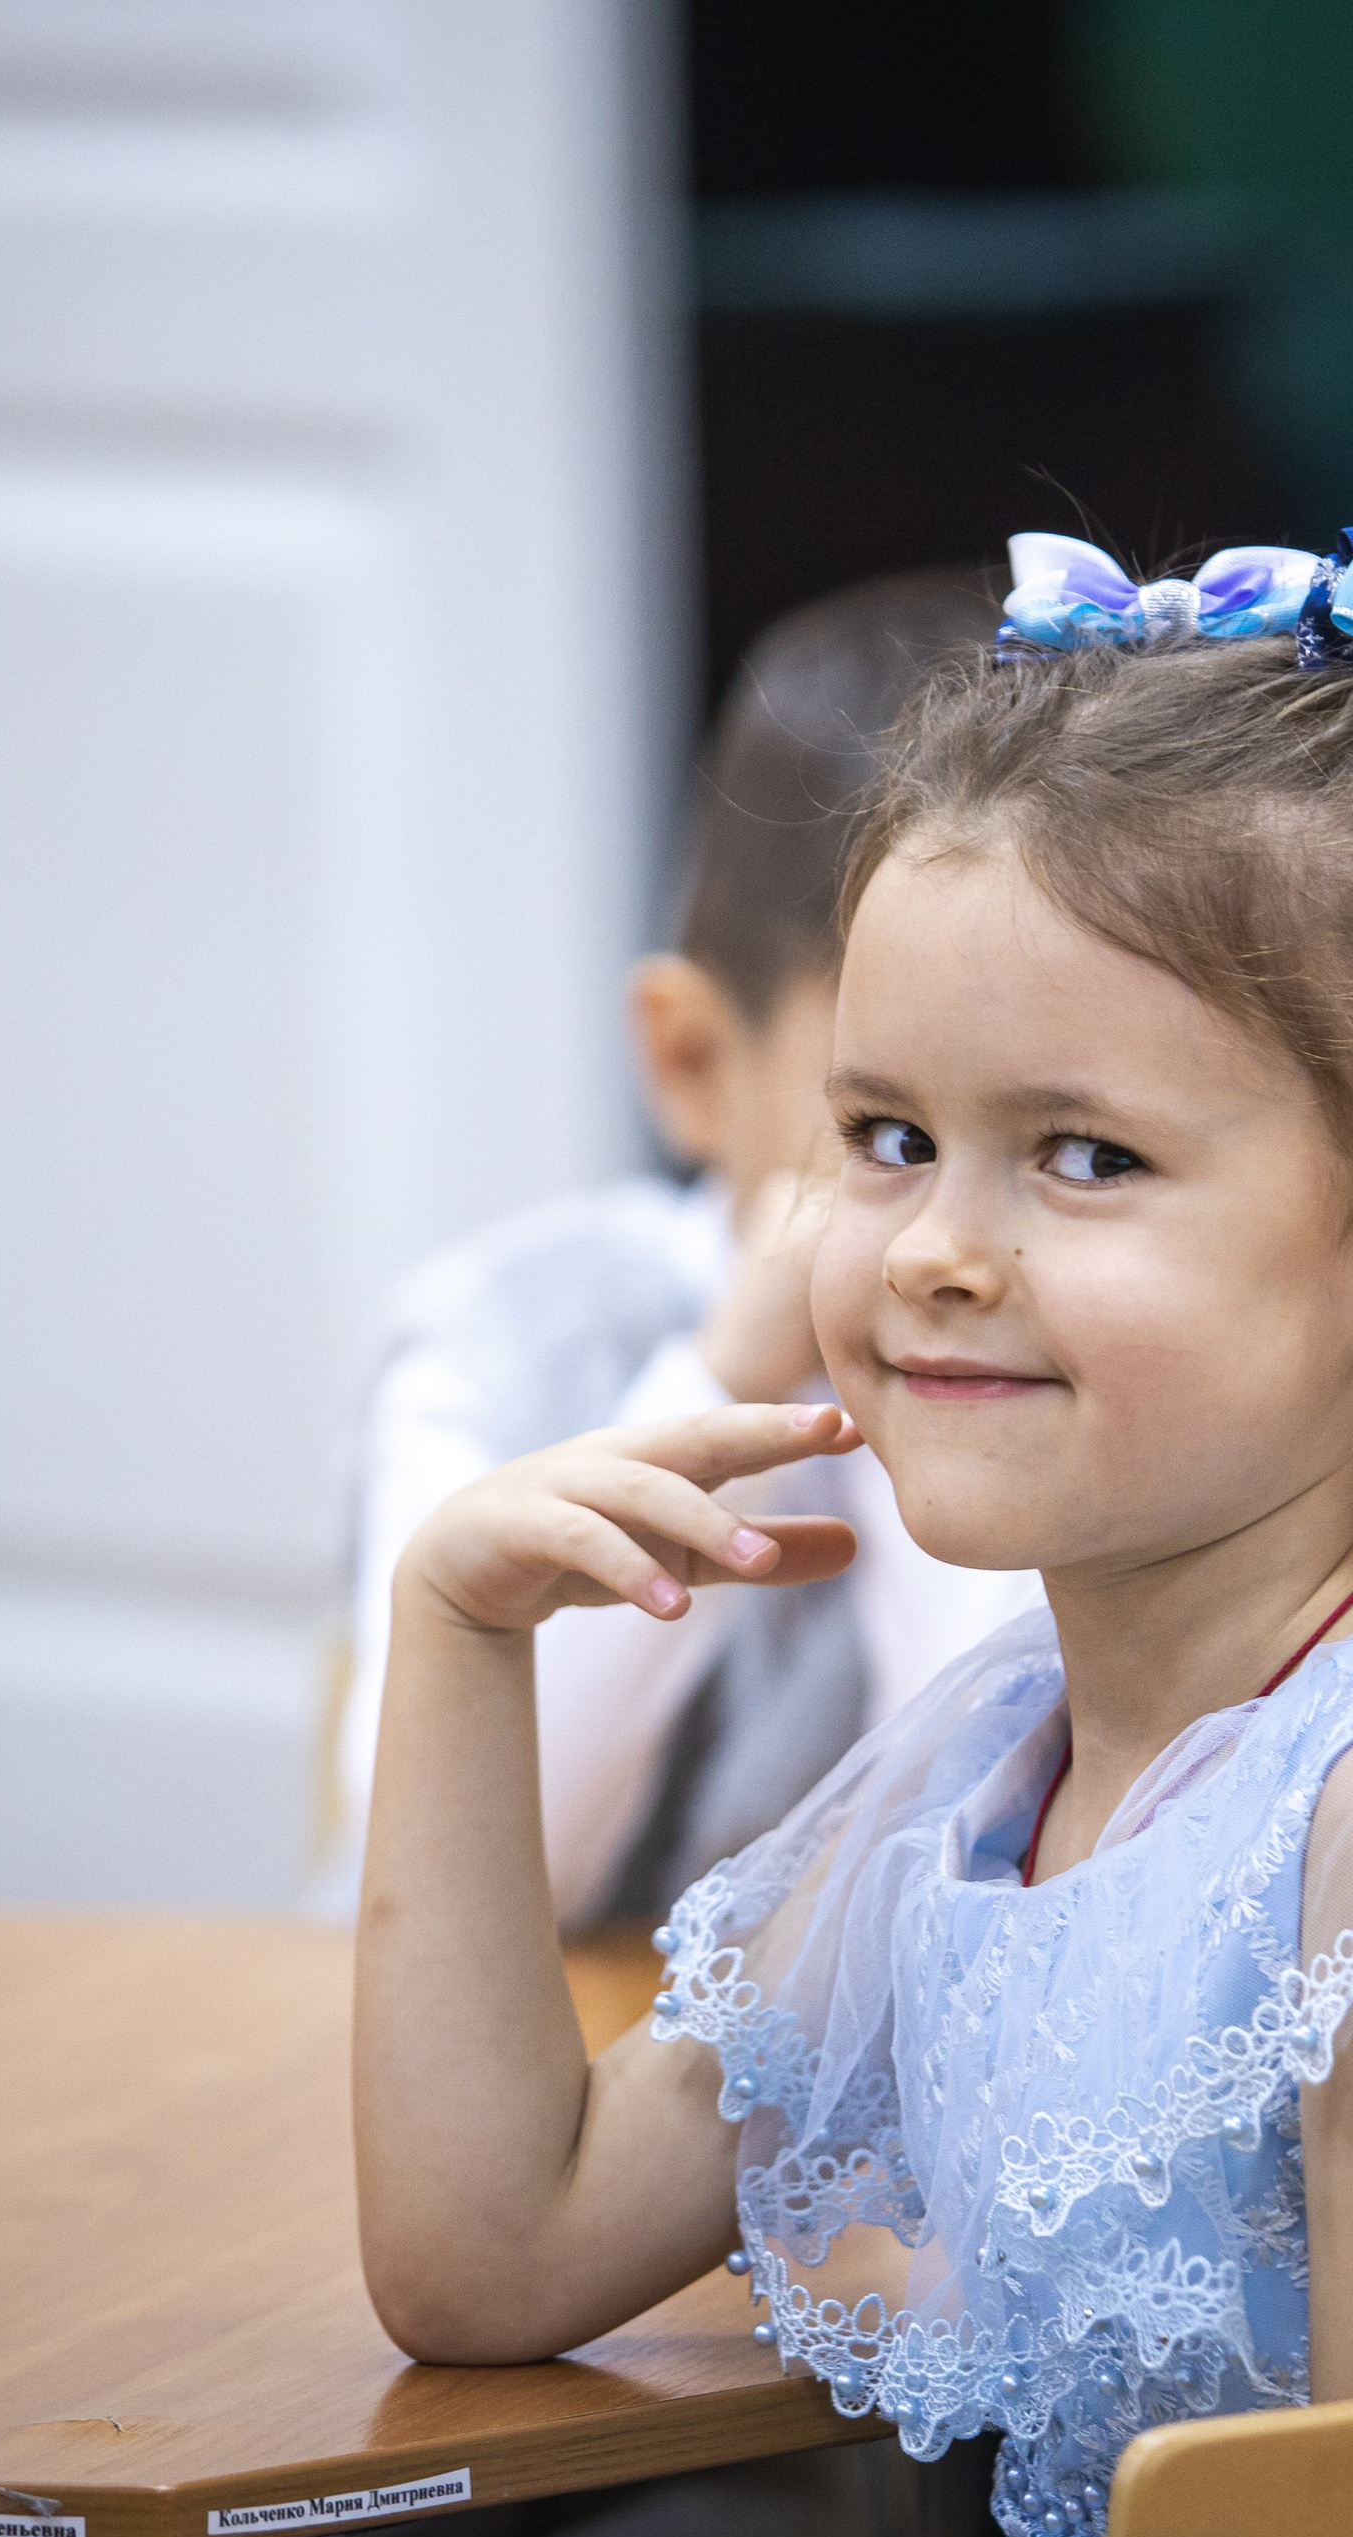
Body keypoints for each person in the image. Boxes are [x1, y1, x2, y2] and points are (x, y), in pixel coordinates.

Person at [352, 491, 1353, 2537]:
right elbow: (495, 2253)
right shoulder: (1004, 1753)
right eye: (886, 1135)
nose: (934, 1250)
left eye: (1085, 1155)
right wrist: (458, 1627)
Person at [331, 571, 1040, 1931]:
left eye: (1071, 1141)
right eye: (892, 1129)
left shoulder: (1096, 1365)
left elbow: (992, 1862)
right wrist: (725, 1379)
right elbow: (444, 1884)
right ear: (696, 1060)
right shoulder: (506, 1337)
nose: (967, 1225)